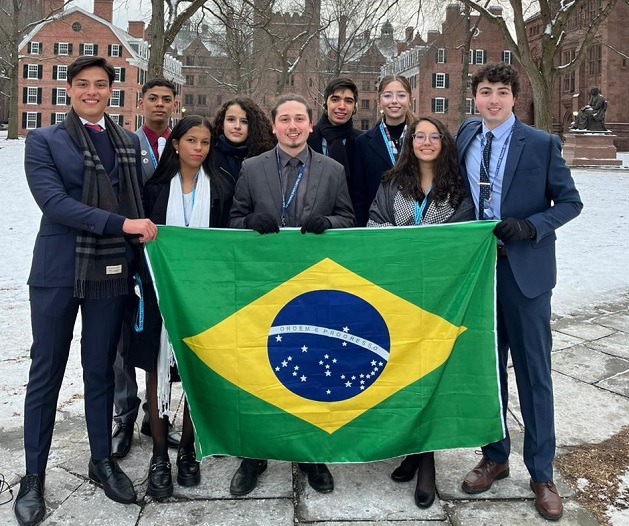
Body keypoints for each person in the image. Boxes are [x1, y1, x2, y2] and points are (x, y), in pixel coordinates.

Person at [16, 56, 157, 526]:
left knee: (100, 370)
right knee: (46, 372)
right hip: (59, 270)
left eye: (100, 85)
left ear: (111, 91)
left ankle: (102, 461)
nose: (92, 92)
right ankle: (33, 475)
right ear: (69, 90)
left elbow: (142, 197)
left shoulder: (128, 142)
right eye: (82, 85)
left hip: (111, 272)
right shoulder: (44, 140)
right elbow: (55, 203)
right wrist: (122, 223)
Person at [455, 62, 583, 521]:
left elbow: (571, 202)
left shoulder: (543, 144)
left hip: (525, 273)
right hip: (479, 274)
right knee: (487, 372)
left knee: (534, 373)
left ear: (514, 98)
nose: (493, 100)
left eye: (502, 92)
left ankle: (542, 471)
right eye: (485, 91)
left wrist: (531, 226)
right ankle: (495, 455)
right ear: (475, 98)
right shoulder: (466, 137)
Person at [227, 94, 355, 496]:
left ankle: (311, 454)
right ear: (276, 126)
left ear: (310, 125)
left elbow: (349, 219)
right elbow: (233, 220)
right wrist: (251, 221)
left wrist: (329, 222)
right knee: (259, 370)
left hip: (314, 288)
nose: (293, 126)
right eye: (285, 119)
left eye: (300, 118)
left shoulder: (333, 170)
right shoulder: (251, 168)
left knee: (311, 369)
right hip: (263, 287)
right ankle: (254, 454)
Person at [367, 117, 473, 509]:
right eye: (418, 137)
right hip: (398, 293)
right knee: (403, 373)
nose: (426, 142)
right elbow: (374, 223)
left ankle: (426, 462)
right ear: (409, 143)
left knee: (431, 376)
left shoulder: (458, 189)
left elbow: (463, 237)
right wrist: (400, 249)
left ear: (444, 143)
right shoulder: (391, 183)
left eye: (433, 136)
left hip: (439, 296)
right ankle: (412, 448)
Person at [131, 115, 234, 499]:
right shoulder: (154, 188)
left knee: (194, 372)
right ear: (175, 143)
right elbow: (138, 242)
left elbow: (228, 241)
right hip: (160, 293)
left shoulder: (222, 188)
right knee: (157, 373)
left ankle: (188, 451)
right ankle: (160, 456)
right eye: (191, 140)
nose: (198, 148)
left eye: (205, 142)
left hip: (204, 296)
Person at [112, 77, 180, 459]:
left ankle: (159, 415)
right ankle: (125, 412)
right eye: (152, 98)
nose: (159, 105)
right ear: (140, 103)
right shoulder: (125, 143)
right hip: (128, 252)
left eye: (165, 99)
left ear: (174, 104)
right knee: (124, 338)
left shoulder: (182, 144)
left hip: (168, 259)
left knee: (161, 339)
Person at [352, 74, 415, 226]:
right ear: (379, 101)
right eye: (387, 96)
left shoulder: (422, 139)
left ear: (410, 101)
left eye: (401, 95)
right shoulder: (363, 143)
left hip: (416, 225)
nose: (394, 101)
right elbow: (358, 195)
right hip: (377, 226)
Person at [308, 77, 362, 199]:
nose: (341, 106)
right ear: (325, 103)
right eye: (335, 99)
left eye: (348, 101)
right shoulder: (306, 139)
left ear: (354, 107)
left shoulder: (362, 142)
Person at [210, 96, 276, 185]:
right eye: (231, 120)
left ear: (253, 126)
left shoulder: (266, 157)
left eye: (244, 122)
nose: (237, 126)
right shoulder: (210, 154)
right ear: (222, 123)